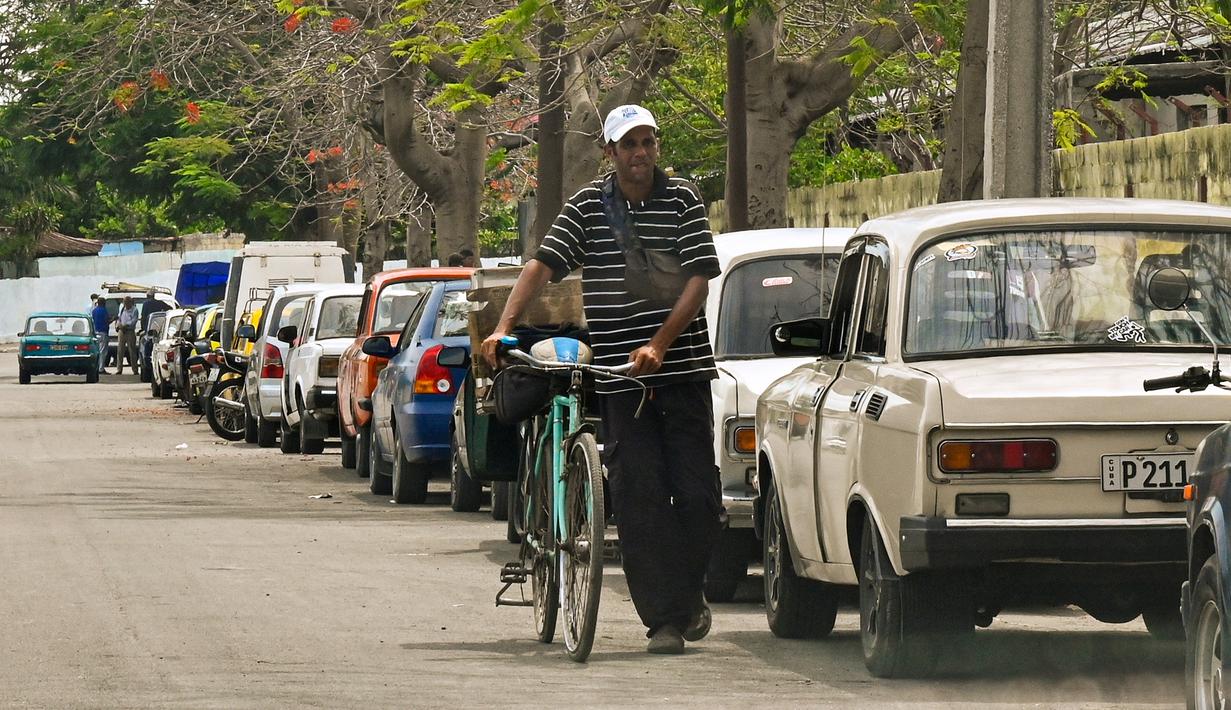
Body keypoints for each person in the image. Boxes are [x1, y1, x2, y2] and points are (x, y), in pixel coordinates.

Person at [481, 104, 722, 655]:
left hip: (682, 372)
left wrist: (659, 344)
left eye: (648, 142)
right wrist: (503, 327)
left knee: (699, 496)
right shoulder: (587, 207)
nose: (640, 153)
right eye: (629, 144)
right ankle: (665, 620)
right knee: (638, 495)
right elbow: (540, 266)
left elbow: (699, 281)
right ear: (609, 153)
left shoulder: (683, 199)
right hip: (618, 378)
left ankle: (687, 596)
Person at [115, 296, 139, 374]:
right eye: (124, 302)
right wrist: (119, 325)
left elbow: (134, 320)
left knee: (132, 351)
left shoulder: (134, 310)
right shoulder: (122, 309)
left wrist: (126, 325)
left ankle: (135, 370)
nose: (125, 304)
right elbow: (119, 318)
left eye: (127, 302)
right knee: (120, 351)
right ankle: (119, 369)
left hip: (129, 331)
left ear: (130, 302)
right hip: (122, 331)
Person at [90, 297, 111, 374]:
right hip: (103, 332)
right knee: (103, 351)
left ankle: (97, 367)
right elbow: (106, 320)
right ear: (103, 303)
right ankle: (101, 368)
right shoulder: (104, 310)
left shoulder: (94, 311)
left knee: (97, 351)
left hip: (96, 332)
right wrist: (112, 319)